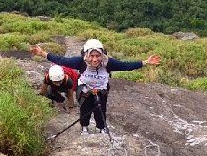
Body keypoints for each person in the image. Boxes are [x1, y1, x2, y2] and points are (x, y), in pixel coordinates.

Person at [31, 38, 161, 135]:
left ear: (102, 55)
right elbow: (61, 60)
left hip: (101, 89)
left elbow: (125, 66)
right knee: (85, 108)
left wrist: (145, 62)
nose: (95, 59)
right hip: (85, 88)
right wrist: (42, 53)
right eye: (92, 56)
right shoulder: (80, 62)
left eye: (98, 55)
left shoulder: (108, 63)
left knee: (100, 109)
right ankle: (84, 127)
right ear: (86, 55)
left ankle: (101, 127)